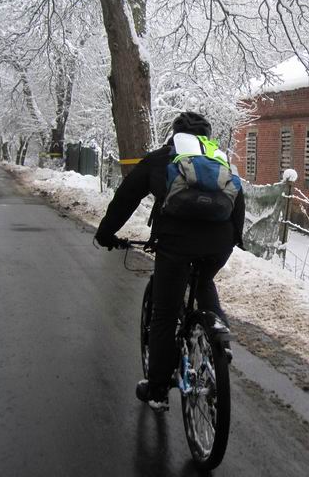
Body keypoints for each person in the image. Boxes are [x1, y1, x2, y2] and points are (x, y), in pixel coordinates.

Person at [94, 112, 245, 412]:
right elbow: (238, 200)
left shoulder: (163, 158)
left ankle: (158, 390)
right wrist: (233, 240)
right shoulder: (219, 159)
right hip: (219, 241)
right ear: (206, 135)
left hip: (176, 244)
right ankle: (220, 343)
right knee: (203, 281)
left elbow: (127, 197)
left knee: (163, 314)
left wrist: (106, 233)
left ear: (175, 134)